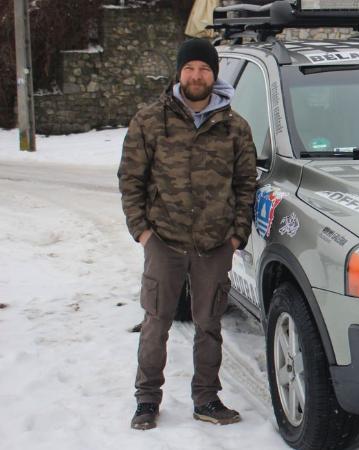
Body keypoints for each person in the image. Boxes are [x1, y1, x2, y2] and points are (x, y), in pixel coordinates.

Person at [118, 38, 257, 430]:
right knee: (157, 321)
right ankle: (147, 399)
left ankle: (207, 398)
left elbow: (246, 185)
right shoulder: (150, 120)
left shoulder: (234, 127)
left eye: (205, 69)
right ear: (179, 73)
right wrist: (143, 232)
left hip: (215, 243)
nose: (197, 76)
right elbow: (130, 180)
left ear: (214, 75)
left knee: (209, 323)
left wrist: (236, 236)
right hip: (164, 239)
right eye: (190, 68)